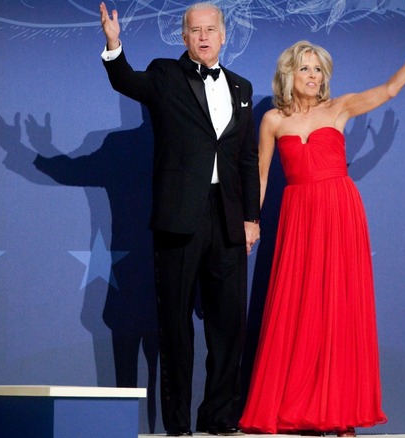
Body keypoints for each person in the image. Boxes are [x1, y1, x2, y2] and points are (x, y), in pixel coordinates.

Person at [239, 12, 405, 437]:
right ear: (289, 74)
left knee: (339, 310)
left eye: (318, 69)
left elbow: (388, 90)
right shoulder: (273, 121)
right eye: (305, 68)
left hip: (339, 211)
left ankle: (342, 414)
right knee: (298, 309)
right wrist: (251, 222)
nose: (312, 76)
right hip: (298, 217)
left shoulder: (339, 107)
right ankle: (295, 410)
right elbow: (259, 173)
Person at [99, 2, 260, 436]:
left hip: (227, 220)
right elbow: (126, 81)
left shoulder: (243, 88)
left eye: (211, 29)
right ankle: (178, 425)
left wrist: (251, 218)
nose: (204, 36)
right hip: (178, 218)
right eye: (195, 30)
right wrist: (114, 45)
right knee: (175, 327)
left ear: (223, 35)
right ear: (184, 37)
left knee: (229, 325)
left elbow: (246, 160)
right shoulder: (166, 76)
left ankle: (219, 418)